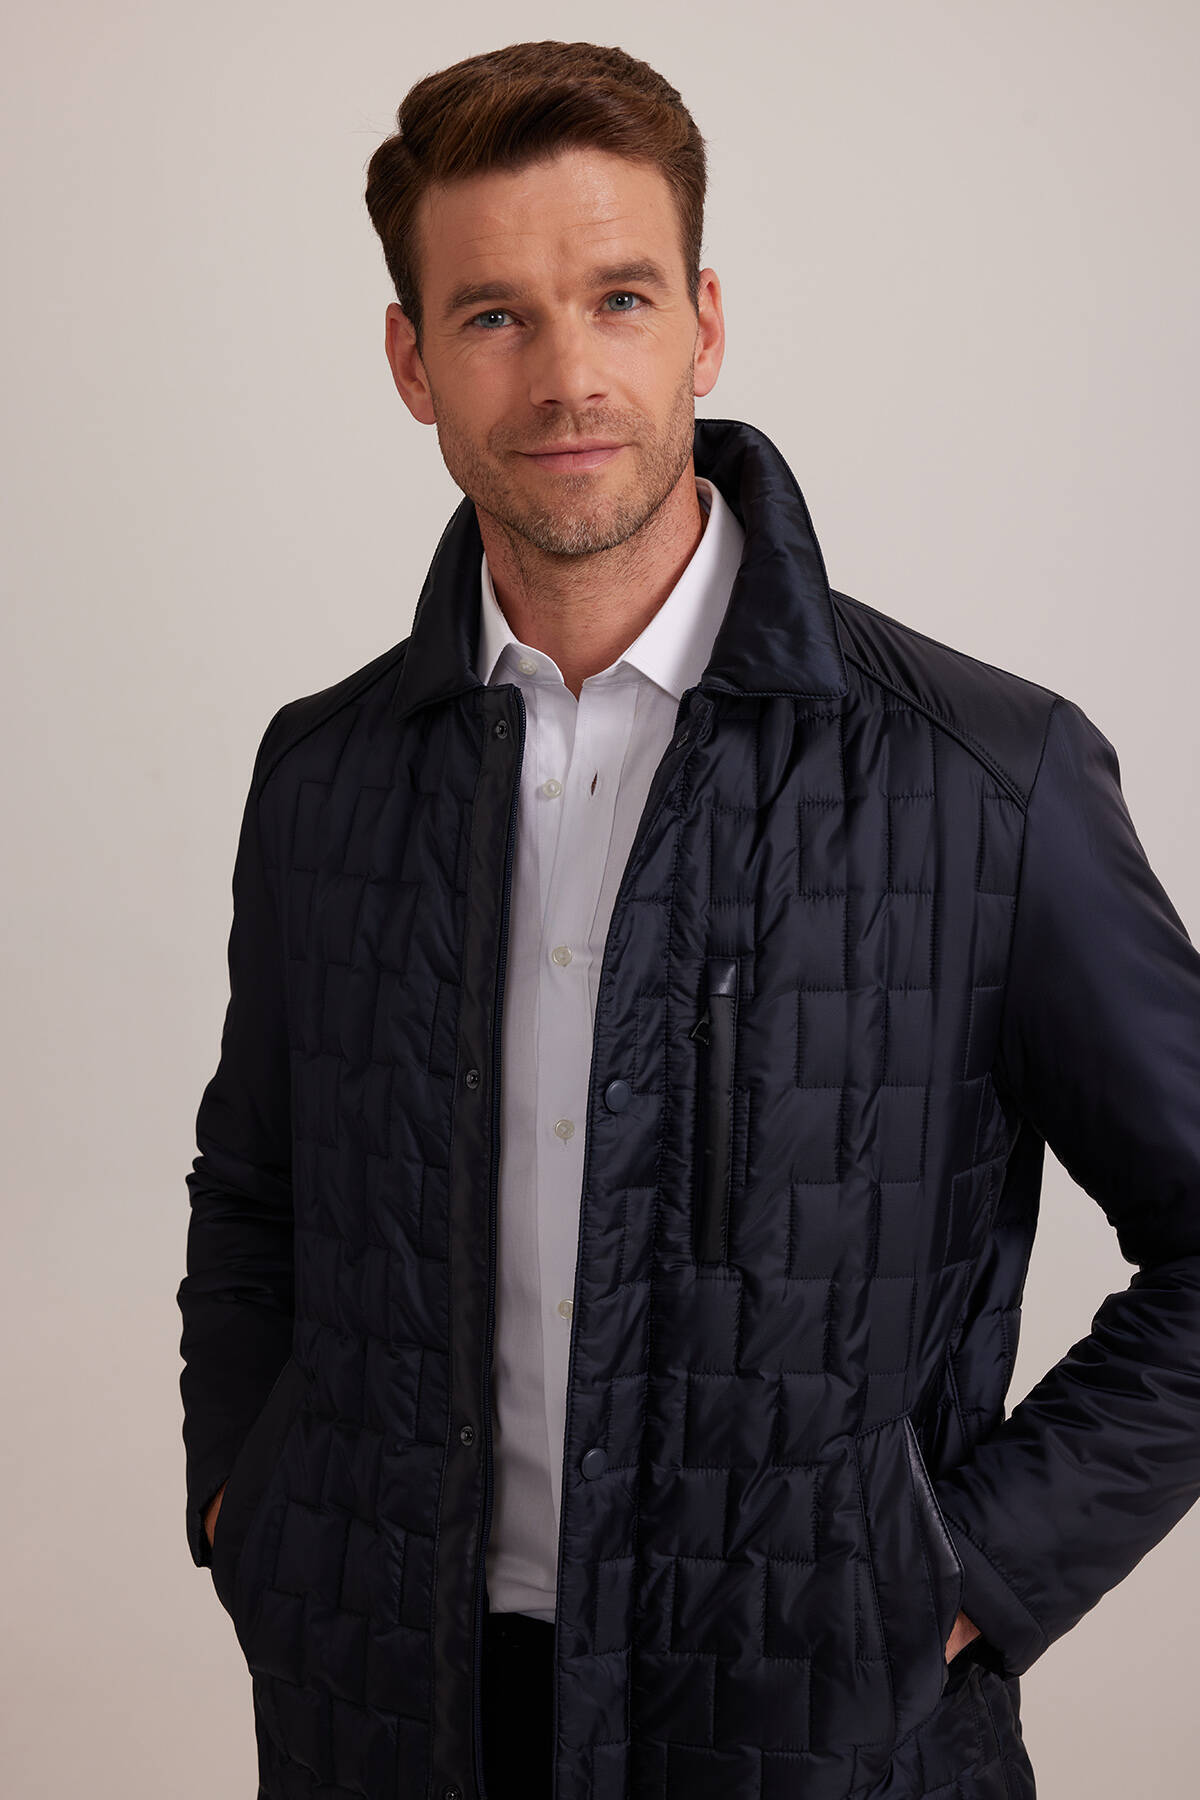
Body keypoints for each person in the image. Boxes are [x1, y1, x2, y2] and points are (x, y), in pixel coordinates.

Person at [176, 37, 1200, 1800]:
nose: (569, 373)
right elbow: (257, 1190)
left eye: (621, 298)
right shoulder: (325, 776)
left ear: (704, 325)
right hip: (388, 1719)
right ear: (413, 361)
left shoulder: (987, 775)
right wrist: (250, 1506)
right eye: (494, 316)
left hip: (817, 1737)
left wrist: (962, 1576)